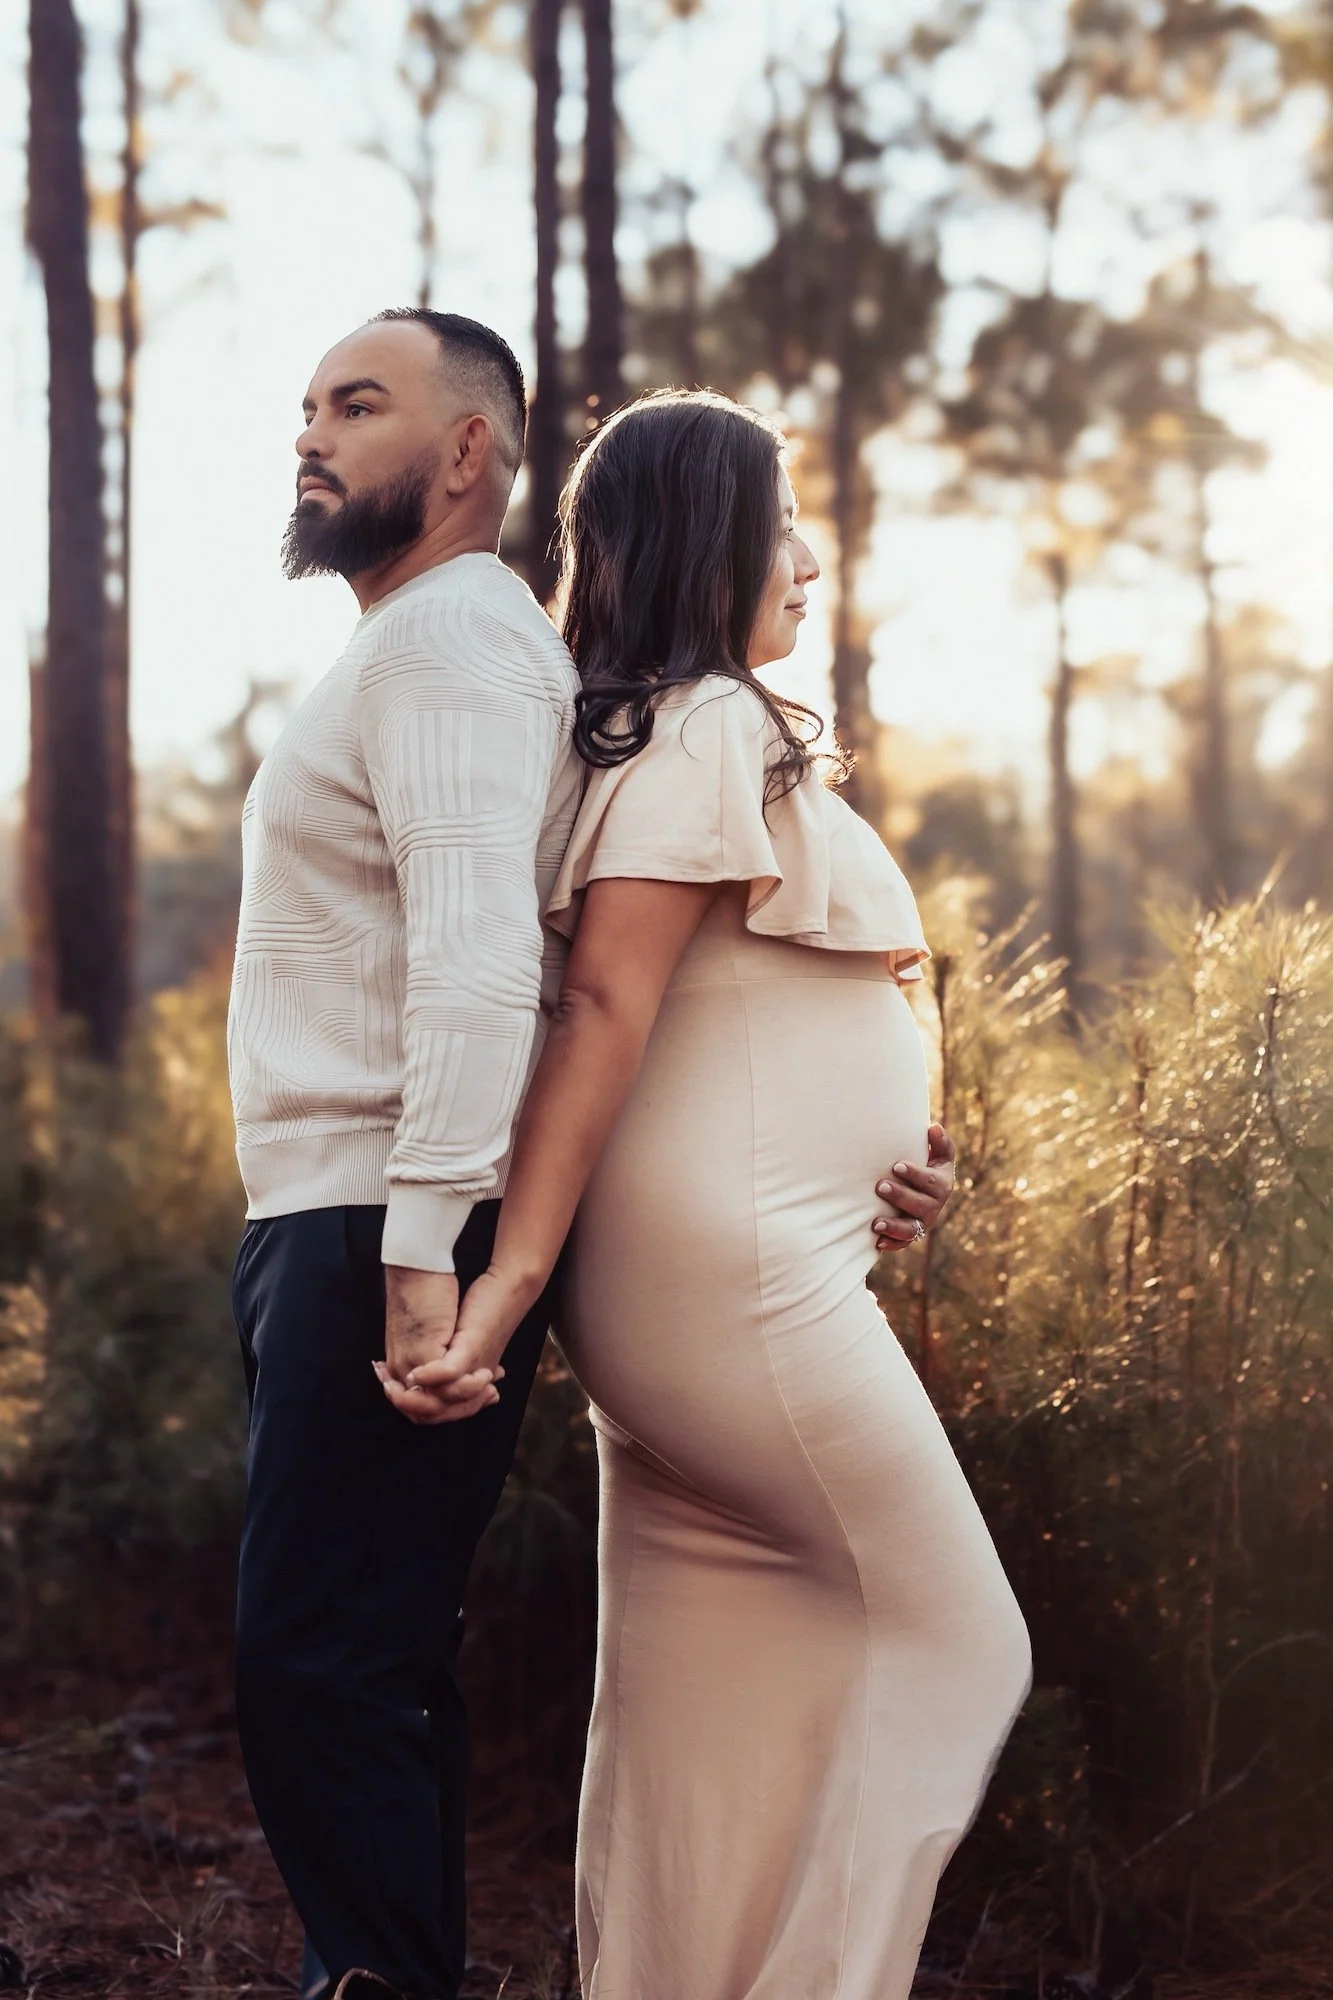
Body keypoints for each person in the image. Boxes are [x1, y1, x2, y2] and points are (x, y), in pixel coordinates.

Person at [228, 320, 956, 2000]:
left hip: (377, 1216)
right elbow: (602, 967)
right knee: (362, 1657)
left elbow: (505, 967)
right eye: (307, 410)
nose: (312, 441)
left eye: (357, 406)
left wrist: (432, 1257)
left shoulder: (453, 649)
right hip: (336, 1209)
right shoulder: (432, 648)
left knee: (323, 1662)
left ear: (471, 454)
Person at [396, 389, 1032, 2000]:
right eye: (784, 523)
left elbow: (700, 1024)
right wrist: (504, 1292)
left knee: (707, 1710)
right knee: (965, 1645)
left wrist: (890, 1153)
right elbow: (602, 1011)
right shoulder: (713, 725)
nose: (809, 562)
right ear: (708, 536)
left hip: (706, 1274)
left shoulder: (650, 729)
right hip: (734, 1283)